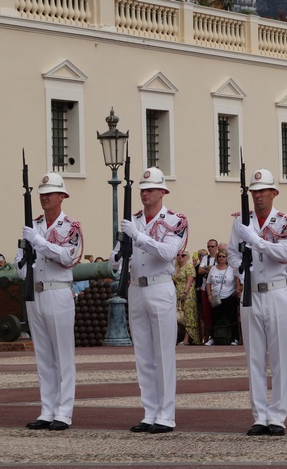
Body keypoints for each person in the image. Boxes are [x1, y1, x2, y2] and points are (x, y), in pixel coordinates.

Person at [110, 167, 188, 434]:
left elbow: (168, 252)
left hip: (160, 287)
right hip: (136, 288)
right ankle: (150, 411)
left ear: (163, 192)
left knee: (164, 354)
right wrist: (119, 253)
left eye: (151, 189)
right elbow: (115, 259)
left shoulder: (175, 221)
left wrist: (138, 237)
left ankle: (167, 415)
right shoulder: (132, 221)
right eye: (143, 189)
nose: (146, 193)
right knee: (143, 355)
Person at [228, 168, 287, 437]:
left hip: (276, 291)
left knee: (279, 358)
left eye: (262, 192)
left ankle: (278, 416)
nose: (257, 196)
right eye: (254, 192)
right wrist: (239, 269)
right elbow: (233, 253)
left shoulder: (284, 222)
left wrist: (255, 241)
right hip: (251, 293)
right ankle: (259, 414)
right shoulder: (240, 222)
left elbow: (283, 253)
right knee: (254, 358)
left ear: (273, 193)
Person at [16, 173, 83, 431]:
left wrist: (39, 243)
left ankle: (64, 412)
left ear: (61, 197)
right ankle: (47, 409)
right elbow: (19, 259)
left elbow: (68, 257)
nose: (44, 197)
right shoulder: (32, 225)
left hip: (58, 292)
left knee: (63, 356)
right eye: (42, 194)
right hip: (35, 292)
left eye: (50, 193)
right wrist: (24, 263)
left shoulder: (70, 227)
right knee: (43, 356)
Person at [206, 248, 241, 345]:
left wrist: (238, 288)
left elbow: (238, 278)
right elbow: (208, 283)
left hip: (228, 296)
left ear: (227, 258)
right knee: (215, 318)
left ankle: (234, 338)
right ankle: (213, 338)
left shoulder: (232, 268)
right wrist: (209, 294)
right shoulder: (213, 268)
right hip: (216, 297)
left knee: (231, 318)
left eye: (223, 256)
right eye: (219, 256)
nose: (221, 258)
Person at [174, 251, 199, 346]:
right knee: (179, 316)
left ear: (187, 257)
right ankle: (179, 336)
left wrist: (185, 292)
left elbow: (190, 281)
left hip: (188, 294)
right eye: (178, 255)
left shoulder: (189, 267)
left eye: (183, 255)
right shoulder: (176, 268)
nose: (180, 257)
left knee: (189, 315)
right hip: (177, 294)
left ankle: (187, 339)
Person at [198, 240, 218, 345]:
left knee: (215, 312)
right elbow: (200, 271)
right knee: (206, 314)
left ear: (217, 246)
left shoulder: (220, 257)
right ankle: (207, 337)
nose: (210, 248)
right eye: (208, 246)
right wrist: (210, 269)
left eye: (212, 246)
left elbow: (219, 268)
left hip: (216, 289)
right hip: (204, 288)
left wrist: (208, 268)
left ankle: (215, 335)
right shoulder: (206, 258)